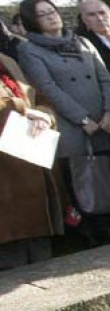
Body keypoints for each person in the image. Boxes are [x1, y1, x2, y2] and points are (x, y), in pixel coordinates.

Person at [17, 0, 110, 246]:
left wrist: (108, 112)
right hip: (71, 126)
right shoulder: (29, 48)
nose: (52, 16)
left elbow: (104, 78)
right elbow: (48, 88)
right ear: (32, 20)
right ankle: (86, 233)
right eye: (42, 14)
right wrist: (82, 118)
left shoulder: (82, 42)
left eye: (52, 10)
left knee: (104, 178)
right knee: (80, 183)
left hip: (101, 121)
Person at [0, 52, 62, 270]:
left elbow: (39, 98)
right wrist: (24, 111)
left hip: (30, 158)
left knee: (39, 250)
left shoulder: (7, 61)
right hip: (6, 175)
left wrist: (45, 115)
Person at [77, 0, 110, 128]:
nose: (99, 18)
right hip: (103, 111)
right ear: (84, 20)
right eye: (91, 15)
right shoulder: (81, 45)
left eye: (102, 12)